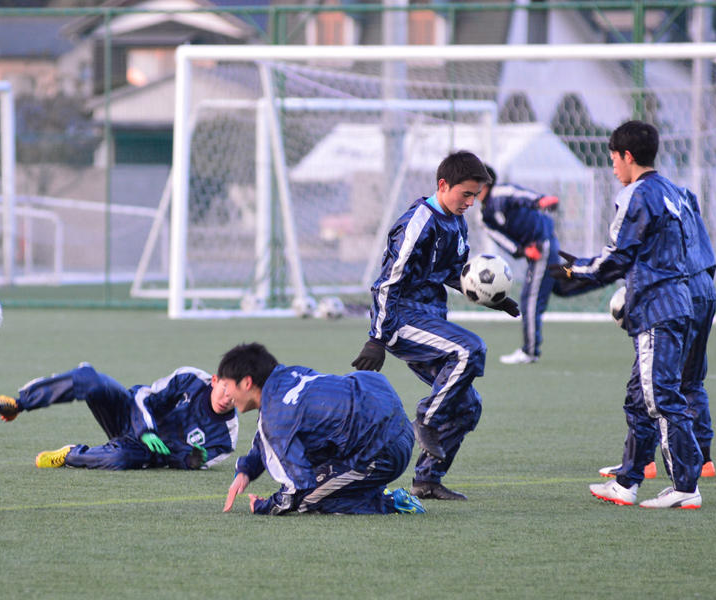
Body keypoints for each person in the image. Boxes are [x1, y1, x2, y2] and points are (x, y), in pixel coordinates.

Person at [550, 120, 703, 509]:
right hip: (679, 302)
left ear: (627, 156)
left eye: (613, 159)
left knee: (661, 398)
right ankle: (627, 482)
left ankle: (686, 486)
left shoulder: (636, 194)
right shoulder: (675, 191)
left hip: (658, 307)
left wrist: (569, 273)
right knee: (639, 399)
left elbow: (616, 258)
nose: (613, 167)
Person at [350, 151, 519, 502]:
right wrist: (376, 340)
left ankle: (427, 480)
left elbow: (453, 273)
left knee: (468, 405)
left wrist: (494, 298)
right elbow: (385, 285)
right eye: (466, 194)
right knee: (470, 349)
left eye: (475, 196)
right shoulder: (417, 224)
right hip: (400, 319)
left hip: (429, 320)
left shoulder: (457, 221)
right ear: (443, 185)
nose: (470, 203)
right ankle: (425, 419)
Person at [597, 163, 716, 481]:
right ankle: (703, 460)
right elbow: (700, 245)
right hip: (704, 286)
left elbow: (637, 252)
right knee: (691, 381)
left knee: (648, 384)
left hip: (675, 292)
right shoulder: (683, 195)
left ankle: (641, 463)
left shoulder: (644, 199)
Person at [218, 343, 425, 516]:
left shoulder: (275, 418)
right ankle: (365, 484)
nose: (227, 395)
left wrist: (264, 507)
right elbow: (270, 434)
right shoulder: (289, 376)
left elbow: (296, 489)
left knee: (308, 501)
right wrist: (246, 470)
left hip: (381, 452)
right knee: (316, 450)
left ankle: (390, 502)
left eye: (227, 386)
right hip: (394, 420)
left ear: (246, 382)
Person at [0, 362, 238, 470]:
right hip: (129, 414)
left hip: (145, 451)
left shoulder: (227, 439)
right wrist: (145, 429)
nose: (227, 397)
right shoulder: (190, 379)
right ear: (214, 380)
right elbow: (144, 397)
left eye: (235, 393)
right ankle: (18, 403)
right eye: (224, 387)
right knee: (90, 379)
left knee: (121, 457)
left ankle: (70, 455)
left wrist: (188, 459)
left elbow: (186, 463)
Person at [478, 165, 562, 364]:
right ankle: (598, 276)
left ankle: (530, 351)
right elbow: (502, 240)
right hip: (534, 250)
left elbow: (519, 195)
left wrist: (539, 200)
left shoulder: (500, 192)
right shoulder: (484, 216)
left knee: (530, 299)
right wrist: (523, 251)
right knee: (560, 287)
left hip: (543, 244)